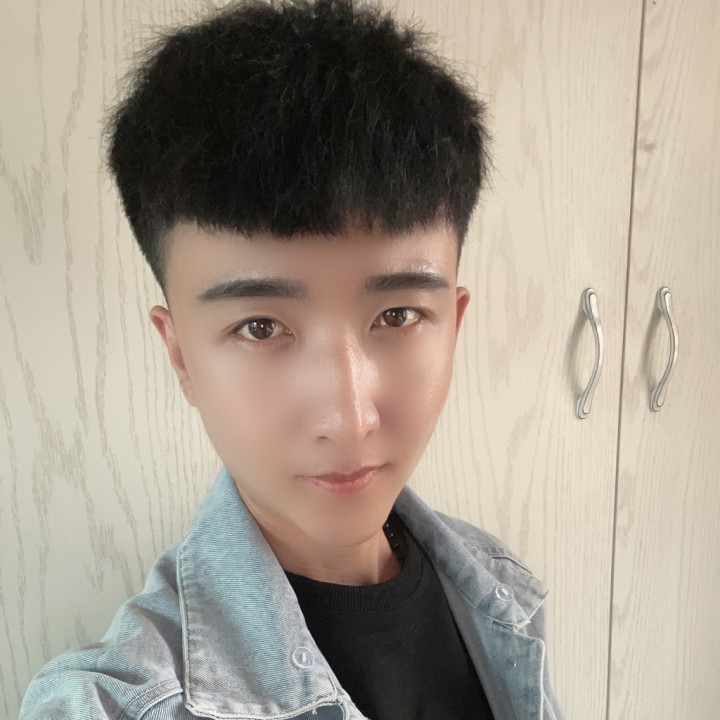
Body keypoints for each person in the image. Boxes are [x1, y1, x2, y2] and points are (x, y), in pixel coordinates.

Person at [19, 1, 564, 718]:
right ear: (180, 355)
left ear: (454, 325)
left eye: (397, 316)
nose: (349, 416)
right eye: (260, 326)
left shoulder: (500, 590)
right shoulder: (112, 701)